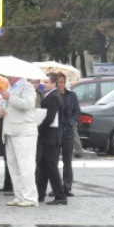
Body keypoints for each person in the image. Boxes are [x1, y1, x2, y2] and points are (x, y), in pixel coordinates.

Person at [0, 76, 39, 207]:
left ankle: (31, 197)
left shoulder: (28, 87)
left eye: (10, 74)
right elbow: (0, 106)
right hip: (10, 131)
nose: (8, 76)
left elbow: (28, 104)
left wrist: (10, 97)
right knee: (13, 166)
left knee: (25, 165)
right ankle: (19, 195)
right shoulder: (9, 88)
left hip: (24, 131)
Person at [37, 73, 68, 205]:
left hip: (51, 137)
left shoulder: (54, 97)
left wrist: (38, 130)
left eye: (46, 82)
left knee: (50, 166)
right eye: (43, 82)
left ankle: (60, 196)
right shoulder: (50, 95)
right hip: (48, 137)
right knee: (43, 166)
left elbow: (50, 118)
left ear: (54, 83)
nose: (44, 84)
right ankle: (40, 194)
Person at [57, 73, 79, 197]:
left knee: (67, 160)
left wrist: (71, 123)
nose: (60, 85)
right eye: (58, 82)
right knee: (53, 160)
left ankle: (67, 186)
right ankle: (56, 186)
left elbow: (77, 112)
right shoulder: (53, 96)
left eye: (62, 82)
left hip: (68, 131)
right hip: (55, 131)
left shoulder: (71, 96)